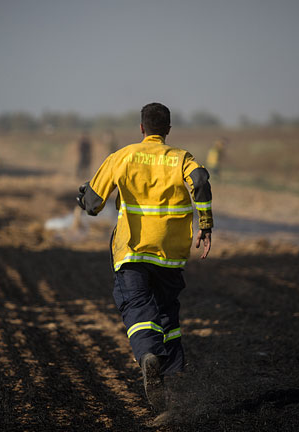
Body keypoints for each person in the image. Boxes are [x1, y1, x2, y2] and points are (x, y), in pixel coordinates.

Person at [76, 102, 213, 412]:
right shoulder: (181, 158)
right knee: (167, 311)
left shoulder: (122, 156)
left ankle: (147, 356)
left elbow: (94, 204)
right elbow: (201, 182)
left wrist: (83, 196)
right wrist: (205, 224)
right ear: (167, 130)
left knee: (136, 304)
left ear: (141, 129)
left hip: (133, 250)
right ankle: (171, 377)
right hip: (170, 253)